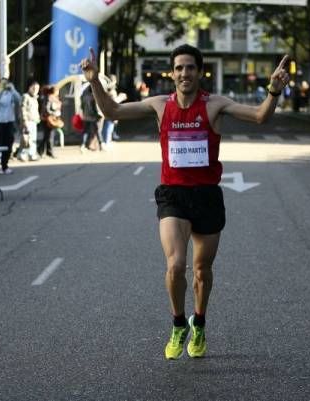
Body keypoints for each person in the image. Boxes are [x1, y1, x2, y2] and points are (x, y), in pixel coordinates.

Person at [81, 44, 290, 360]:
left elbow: (260, 116)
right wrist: (94, 80)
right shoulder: (160, 105)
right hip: (173, 195)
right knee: (176, 264)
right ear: (172, 72)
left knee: (202, 270)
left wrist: (273, 91)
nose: (183, 73)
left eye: (189, 67)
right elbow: (112, 112)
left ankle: (200, 323)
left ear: (199, 71)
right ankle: (179, 324)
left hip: (206, 195)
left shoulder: (215, 105)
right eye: (178, 68)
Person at [0, 78, 21, 175]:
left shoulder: (11, 93)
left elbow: (19, 99)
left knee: (8, 144)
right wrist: (0, 94)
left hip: (9, 121)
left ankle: (5, 166)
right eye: (3, 83)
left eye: (6, 83)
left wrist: (13, 90)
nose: (5, 85)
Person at [18, 80, 41, 161]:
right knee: (26, 139)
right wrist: (24, 120)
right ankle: (23, 154)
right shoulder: (25, 96)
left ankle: (32, 154)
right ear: (29, 88)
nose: (35, 90)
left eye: (37, 89)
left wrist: (38, 118)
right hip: (27, 120)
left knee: (32, 139)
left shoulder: (35, 98)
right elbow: (22, 109)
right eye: (33, 88)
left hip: (34, 120)